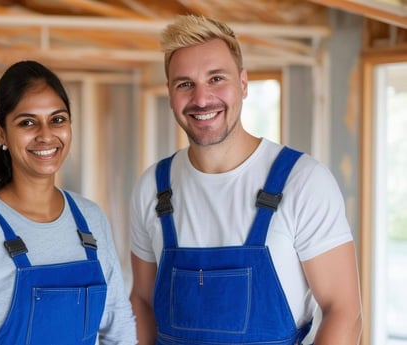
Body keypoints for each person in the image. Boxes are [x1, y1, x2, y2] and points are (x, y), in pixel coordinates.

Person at [128, 15, 362, 345]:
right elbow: (142, 301)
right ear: (170, 92)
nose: (201, 98)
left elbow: (344, 311)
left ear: (243, 83)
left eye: (216, 79)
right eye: (185, 84)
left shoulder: (303, 181)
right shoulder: (152, 187)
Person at [0, 60, 137, 345]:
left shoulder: (90, 219)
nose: (46, 135)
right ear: (1, 132)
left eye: (57, 119)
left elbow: (119, 323)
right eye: (27, 122)